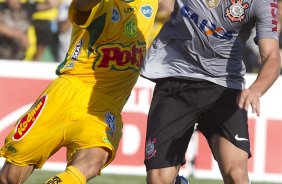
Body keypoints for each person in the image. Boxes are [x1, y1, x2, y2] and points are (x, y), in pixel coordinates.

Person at [0, 0, 157, 183]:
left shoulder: (151, 2)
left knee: (92, 162)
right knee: (10, 177)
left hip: (105, 107)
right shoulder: (102, 4)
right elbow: (82, 5)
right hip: (69, 93)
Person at [141, 0, 281, 183]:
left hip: (225, 88)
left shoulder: (261, 3)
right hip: (176, 78)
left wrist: (256, 90)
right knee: (159, 180)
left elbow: (272, 56)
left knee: (236, 175)